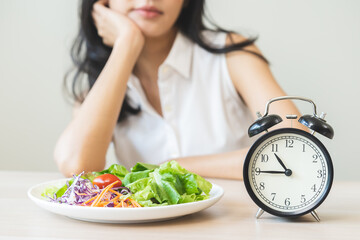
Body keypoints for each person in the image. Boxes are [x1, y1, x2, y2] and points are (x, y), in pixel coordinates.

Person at [54, 0, 303, 179]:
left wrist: (174, 165)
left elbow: (299, 147)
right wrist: (127, 43)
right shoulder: (104, 80)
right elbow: (77, 166)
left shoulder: (232, 53)